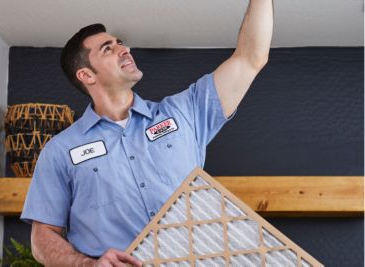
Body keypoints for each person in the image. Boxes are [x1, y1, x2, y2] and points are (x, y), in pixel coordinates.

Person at [21, 1, 273, 266]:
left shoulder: (184, 113)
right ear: (86, 75)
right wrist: (88, 265)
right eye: (109, 48)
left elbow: (250, 58)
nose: (125, 49)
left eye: (120, 43)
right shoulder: (60, 150)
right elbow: (42, 237)